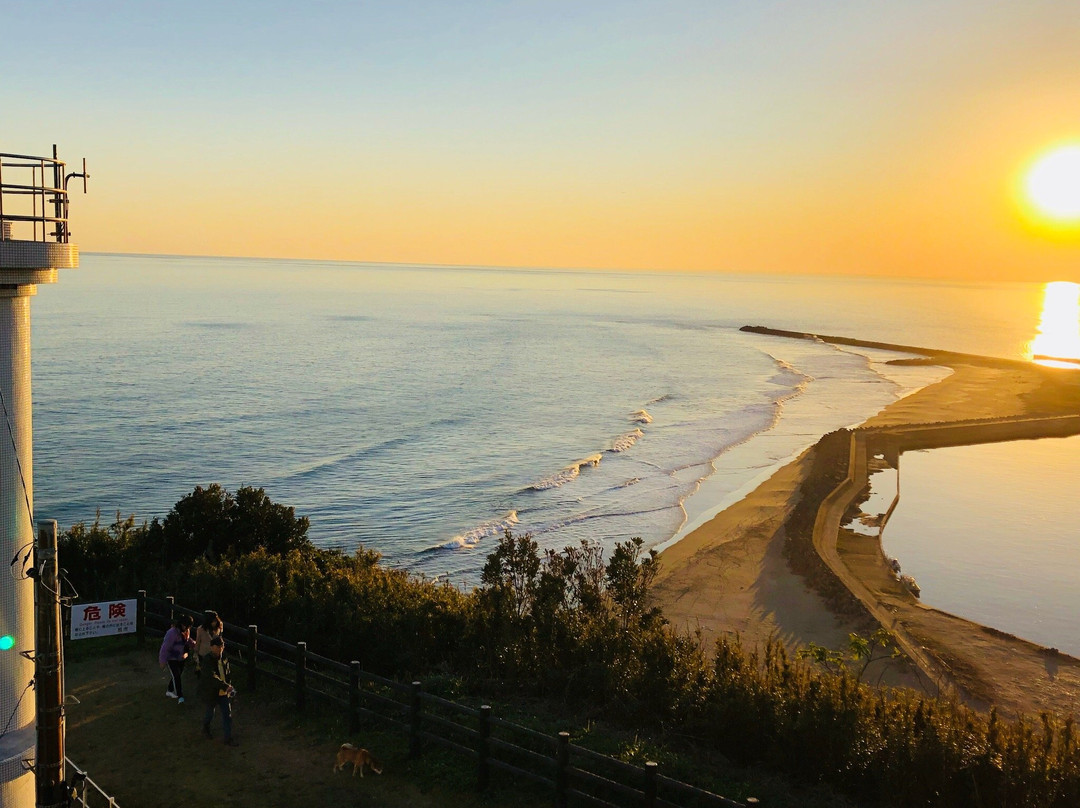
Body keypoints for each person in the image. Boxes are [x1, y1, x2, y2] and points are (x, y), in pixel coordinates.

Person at [198, 635, 238, 746]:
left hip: (223, 692)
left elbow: (227, 674)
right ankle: (206, 727)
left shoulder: (224, 658)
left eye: (222, 646)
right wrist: (227, 687)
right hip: (212, 692)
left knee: (227, 715)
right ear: (212, 647)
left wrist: (229, 687)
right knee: (210, 713)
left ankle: (228, 738)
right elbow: (212, 677)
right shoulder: (207, 660)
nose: (220, 648)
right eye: (218, 646)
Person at [158, 615, 196, 704]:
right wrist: (162, 661)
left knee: (177, 675)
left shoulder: (186, 631)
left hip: (181, 657)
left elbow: (187, 640)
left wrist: (194, 644)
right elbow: (165, 648)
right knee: (176, 676)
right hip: (172, 657)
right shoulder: (172, 633)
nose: (188, 628)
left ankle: (170, 690)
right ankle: (180, 696)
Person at [194, 610, 224, 677]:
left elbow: (220, 640)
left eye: (216, 620)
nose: (215, 622)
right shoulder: (200, 629)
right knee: (206, 675)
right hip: (204, 654)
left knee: (216, 674)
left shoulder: (219, 628)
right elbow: (198, 642)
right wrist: (196, 654)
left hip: (214, 654)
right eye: (213, 621)